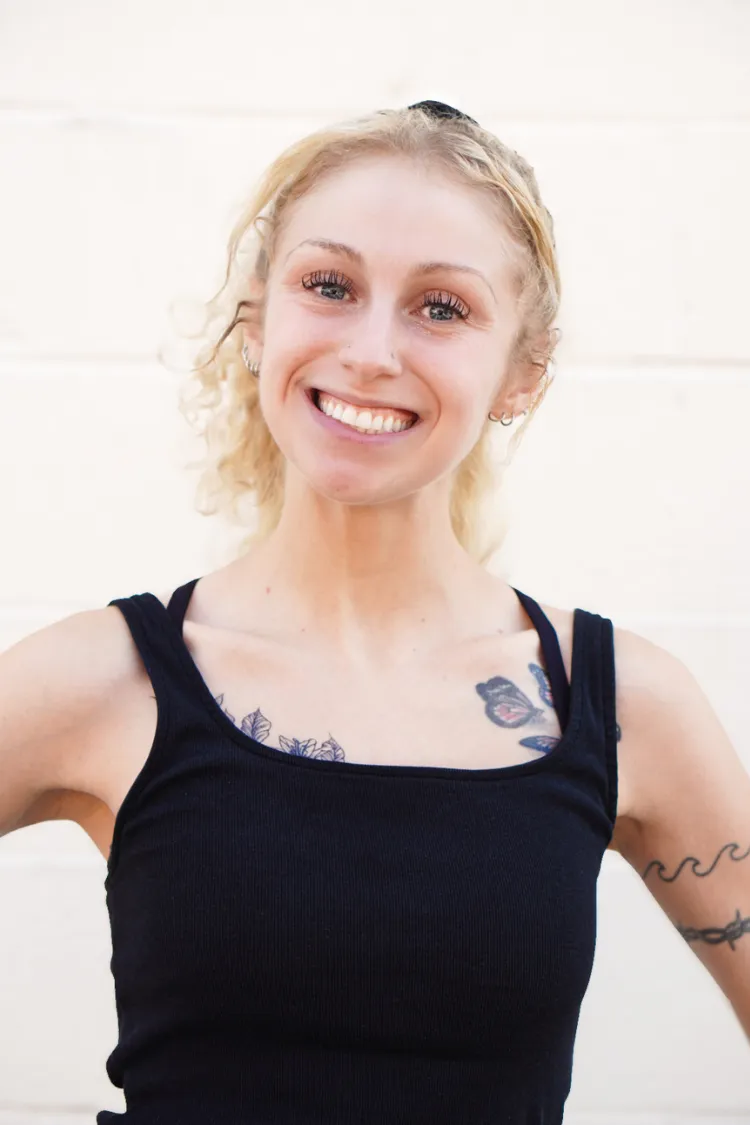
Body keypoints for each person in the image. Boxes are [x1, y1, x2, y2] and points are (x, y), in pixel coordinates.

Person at [1, 100, 748, 1123]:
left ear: (522, 374)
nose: (371, 350)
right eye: (329, 286)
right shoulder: (99, 680)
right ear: (260, 318)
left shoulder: (623, 705)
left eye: (442, 307)